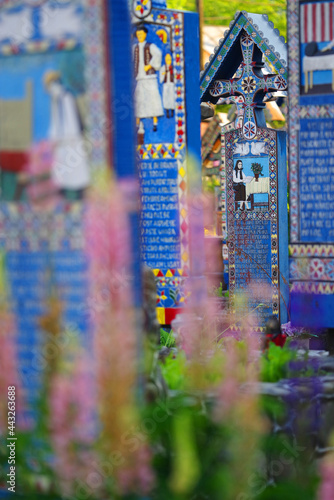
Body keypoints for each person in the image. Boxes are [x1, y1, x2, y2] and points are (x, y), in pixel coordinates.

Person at [44, 70, 90, 198]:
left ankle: (81, 198)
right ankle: (62, 200)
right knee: (60, 175)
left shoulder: (66, 97)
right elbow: (55, 121)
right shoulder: (55, 100)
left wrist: (68, 137)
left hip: (72, 140)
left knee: (78, 172)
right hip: (60, 143)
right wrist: (53, 138)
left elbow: (71, 120)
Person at [133, 25, 164, 137]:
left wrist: (150, 65)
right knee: (139, 100)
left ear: (145, 34)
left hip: (150, 78)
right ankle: (137, 124)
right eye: (138, 35)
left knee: (152, 99)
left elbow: (158, 54)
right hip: (140, 78)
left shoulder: (150, 46)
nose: (140, 36)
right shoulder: (135, 47)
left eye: (141, 34)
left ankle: (155, 122)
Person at [160, 53, 175, 118]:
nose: (168, 60)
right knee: (166, 98)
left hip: (171, 84)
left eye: (169, 59)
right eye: (167, 59)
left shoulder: (173, 68)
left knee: (172, 97)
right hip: (166, 84)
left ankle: (172, 111)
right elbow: (161, 78)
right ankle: (167, 112)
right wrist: (164, 73)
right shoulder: (163, 68)